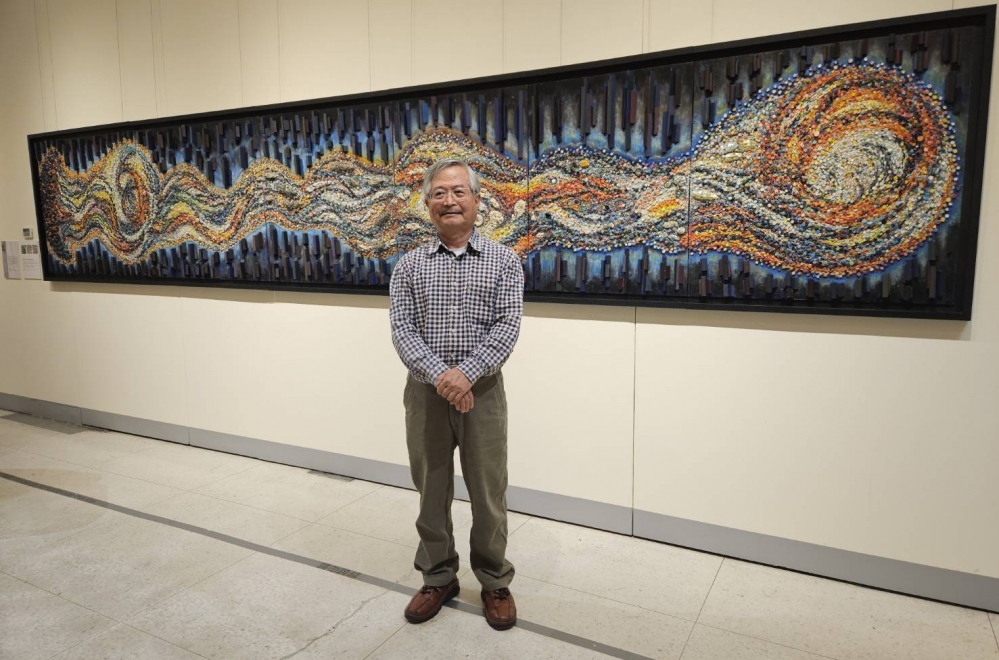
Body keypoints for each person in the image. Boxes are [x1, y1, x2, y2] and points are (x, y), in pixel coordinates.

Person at [389, 158, 524, 630]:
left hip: (482, 395)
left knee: (488, 492)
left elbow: (507, 327)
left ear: (476, 201)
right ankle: (438, 576)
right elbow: (403, 331)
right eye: (439, 193)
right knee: (431, 490)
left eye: (459, 191)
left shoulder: (504, 261)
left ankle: (494, 580)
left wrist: (465, 376)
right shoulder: (409, 266)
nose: (449, 200)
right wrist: (443, 378)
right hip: (425, 395)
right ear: (427, 203)